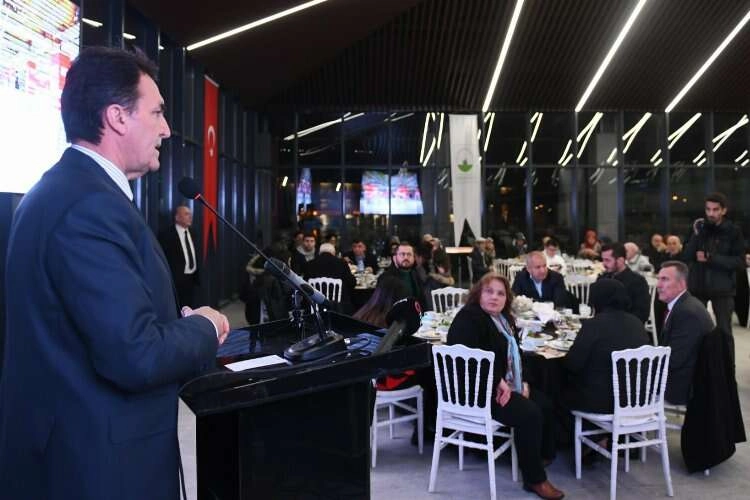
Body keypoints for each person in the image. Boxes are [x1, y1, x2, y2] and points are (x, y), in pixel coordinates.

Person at [0, 47, 230, 500]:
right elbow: (134, 354)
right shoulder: (88, 205)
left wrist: (173, 327)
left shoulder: (70, 190)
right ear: (117, 117)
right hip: (95, 470)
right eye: (157, 112)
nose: (166, 129)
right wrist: (204, 325)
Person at [447, 273, 563, 500]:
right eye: (489, 291)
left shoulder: (504, 319)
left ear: (506, 299)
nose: (494, 297)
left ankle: (541, 456)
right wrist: (497, 380)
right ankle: (535, 480)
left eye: (500, 294)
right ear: (478, 294)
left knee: (545, 403)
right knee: (529, 413)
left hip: (502, 384)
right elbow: (466, 362)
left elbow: (517, 354)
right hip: (476, 392)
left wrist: (523, 381)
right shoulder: (468, 319)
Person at [565, 279, 650, 413]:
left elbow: (572, 364)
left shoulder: (593, 325)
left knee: (558, 390)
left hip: (603, 402)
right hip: (636, 399)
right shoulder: (637, 323)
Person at [683, 192, 744, 363]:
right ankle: (698, 369)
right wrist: (696, 235)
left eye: (715, 209)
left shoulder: (733, 231)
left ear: (724, 210)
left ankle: (728, 370)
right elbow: (686, 255)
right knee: (695, 329)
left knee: (724, 332)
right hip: (698, 286)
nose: (711, 213)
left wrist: (711, 258)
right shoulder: (699, 228)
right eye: (708, 209)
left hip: (723, 289)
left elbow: (739, 262)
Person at [656, 261, 714, 404]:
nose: (658, 285)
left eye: (665, 279)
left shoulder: (687, 313)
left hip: (682, 386)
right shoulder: (684, 305)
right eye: (658, 279)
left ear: (681, 284)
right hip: (682, 377)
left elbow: (675, 359)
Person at [159, 205, 200, 308]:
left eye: (190, 214)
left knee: (190, 307)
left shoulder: (194, 232)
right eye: (186, 214)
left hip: (192, 279)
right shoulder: (166, 235)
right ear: (177, 217)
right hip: (176, 281)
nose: (190, 217)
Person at [599, 243, 651, 323]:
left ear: (620, 260)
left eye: (607, 260)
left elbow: (642, 313)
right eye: (603, 260)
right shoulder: (603, 278)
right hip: (603, 323)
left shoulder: (637, 282)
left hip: (626, 325)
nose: (604, 264)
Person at [512, 251, 577, 311]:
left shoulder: (556, 278)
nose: (542, 271)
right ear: (529, 269)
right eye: (538, 267)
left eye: (544, 266)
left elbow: (559, 304)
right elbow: (513, 300)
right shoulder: (521, 277)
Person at [305, 243, 357, 314]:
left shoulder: (310, 264)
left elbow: (305, 284)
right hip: (339, 307)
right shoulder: (342, 263)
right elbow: (352, 283)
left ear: (320, 253)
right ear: (333, 253)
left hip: (315, 306)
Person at [378, 242, 427, 309]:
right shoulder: (385, 278)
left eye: (409, 254)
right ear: (394, 258)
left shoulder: (416, 275)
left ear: (414, 258)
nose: (406, 257)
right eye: (402, 254)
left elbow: (423, 301)